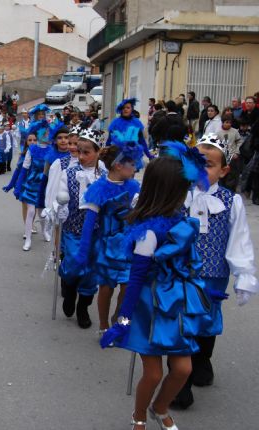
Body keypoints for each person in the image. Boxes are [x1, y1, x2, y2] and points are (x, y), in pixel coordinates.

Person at [99, 142, 214, 430]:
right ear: (169, 191)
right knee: (152, 374)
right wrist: (123, 321)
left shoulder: (183, 221)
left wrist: (204, 291)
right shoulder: (148, 231)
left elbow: (188, 264)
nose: (189, 192)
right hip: (149, 307)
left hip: (177, 303)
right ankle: (139, 416)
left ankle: (159, 408)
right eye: (184, 187)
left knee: (184, 369)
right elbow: (136, 278)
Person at [170, 134, 257, 410]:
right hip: (178, 274)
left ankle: (202, 358)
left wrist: (244, 274)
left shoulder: (232, 202)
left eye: (208, 165)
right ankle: (179, 384)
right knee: (180, 325)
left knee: (206, 321)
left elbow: (239, 240)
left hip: (212, 276)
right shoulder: (176, 196)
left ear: (223, 170)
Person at [72, 135, 142, 334]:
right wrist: (83, 253)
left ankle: (119, 319)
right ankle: (104, 325)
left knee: (128, 288)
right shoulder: (98, 189)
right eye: (132, 164)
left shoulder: (135, 187)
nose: (135, 168)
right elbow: (88, 225)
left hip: (130, 246)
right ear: (118, 165)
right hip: (107, 247)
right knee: (106, 288)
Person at [57, 128, 106, 328]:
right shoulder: (68, 173)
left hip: (96, 231)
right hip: (73, 228)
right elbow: (60, 194)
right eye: (80, 151)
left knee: (90, 273)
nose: (83, 156)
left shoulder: (104, 175)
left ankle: (83, 307)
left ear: (98, 152)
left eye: (87, 152)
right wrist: (59, 204)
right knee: (73, 266)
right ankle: (69, 291)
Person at [13, 119, 54, 251]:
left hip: (45, 184)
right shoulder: (32, 149)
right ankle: (28, 239)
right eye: (44, 132)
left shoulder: (52, 150)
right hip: (32, 183)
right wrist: (18, 186)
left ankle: (44, 231)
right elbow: (24, 168)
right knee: (31, 211)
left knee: (42, 212)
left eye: (48, 132)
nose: (46, 134)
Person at [216, 116, 243, 191]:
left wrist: (237, 152)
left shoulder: (234, 131)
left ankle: (230, 190)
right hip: (223, 157)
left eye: (230, 123)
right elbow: (217, 144)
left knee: (232, 175)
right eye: (226, 122)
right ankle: (221, 189)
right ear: (223, 122)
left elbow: (239, 142)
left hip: (233, 157)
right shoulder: (218, 133)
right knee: (222, 174)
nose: (228, 124)